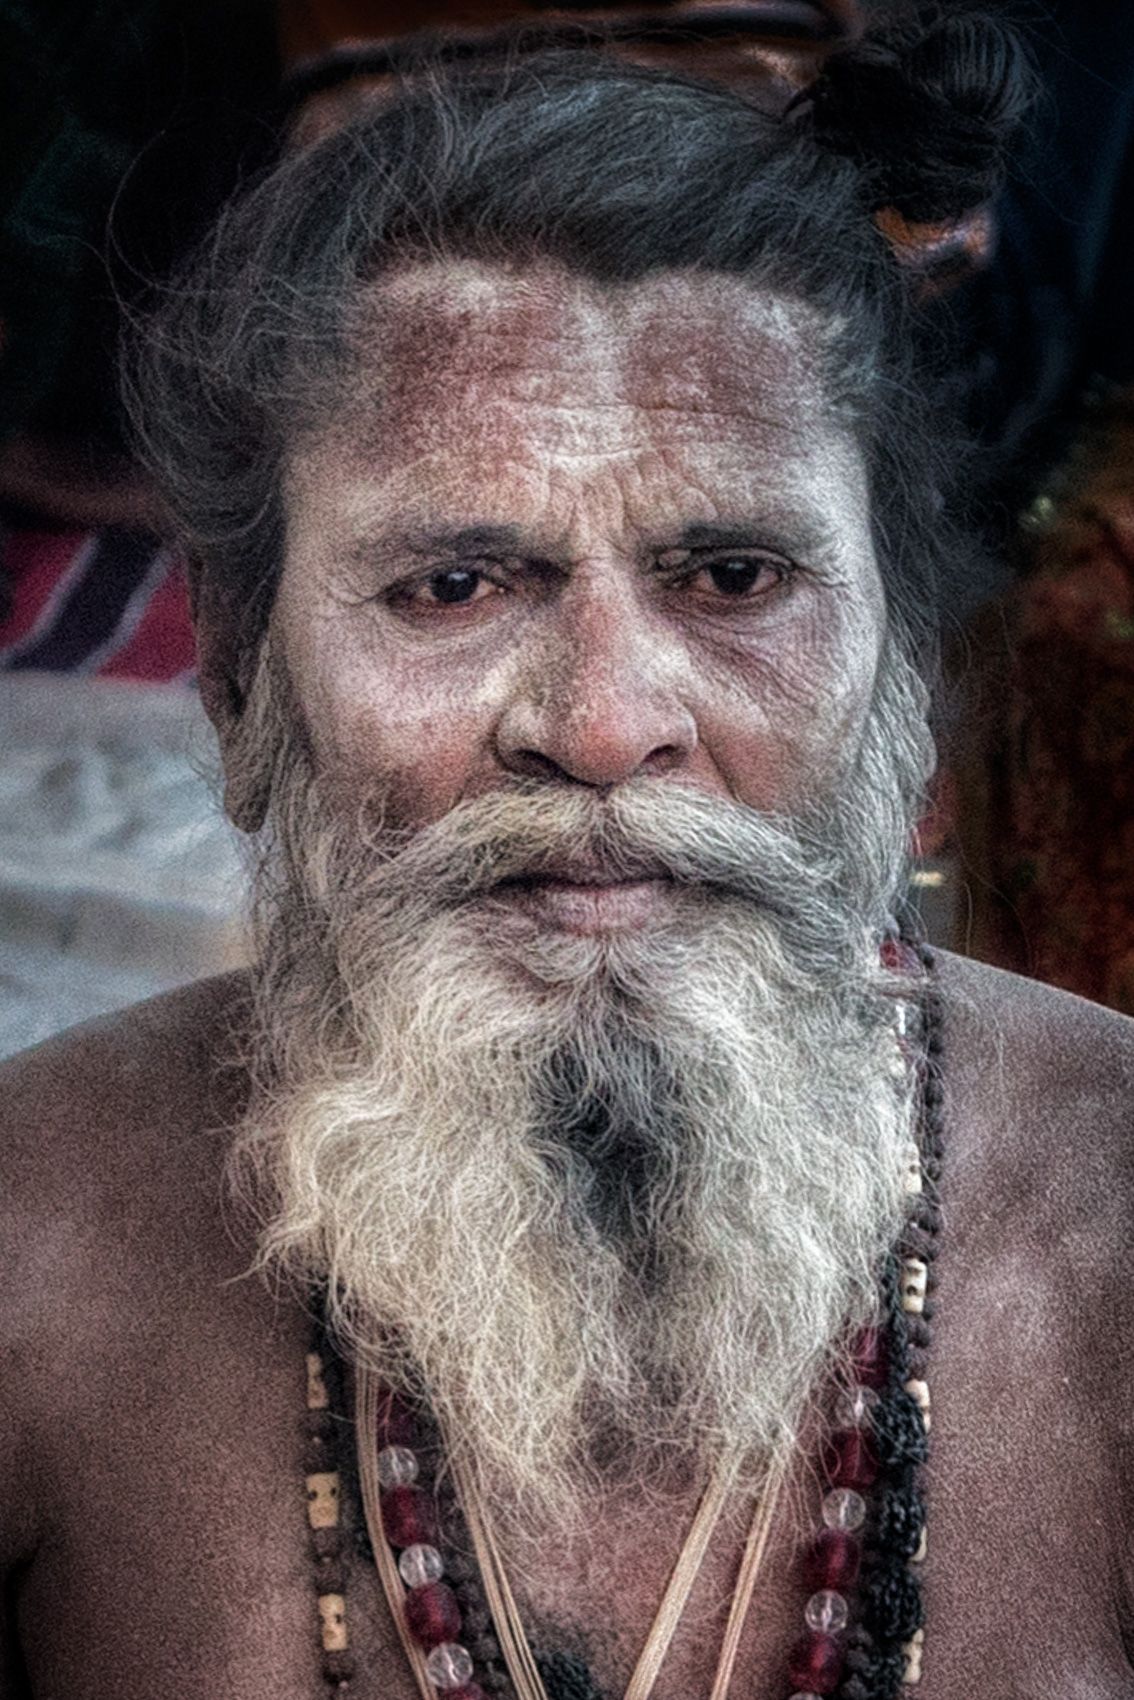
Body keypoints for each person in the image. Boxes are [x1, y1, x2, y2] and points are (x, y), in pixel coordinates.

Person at [2, 17, 1133, 1700]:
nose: (603, 726)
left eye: (734, 578)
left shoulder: (1108, 1229)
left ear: (897, 665)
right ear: (238, 676)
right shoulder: (38, 1242)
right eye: (453, 587)